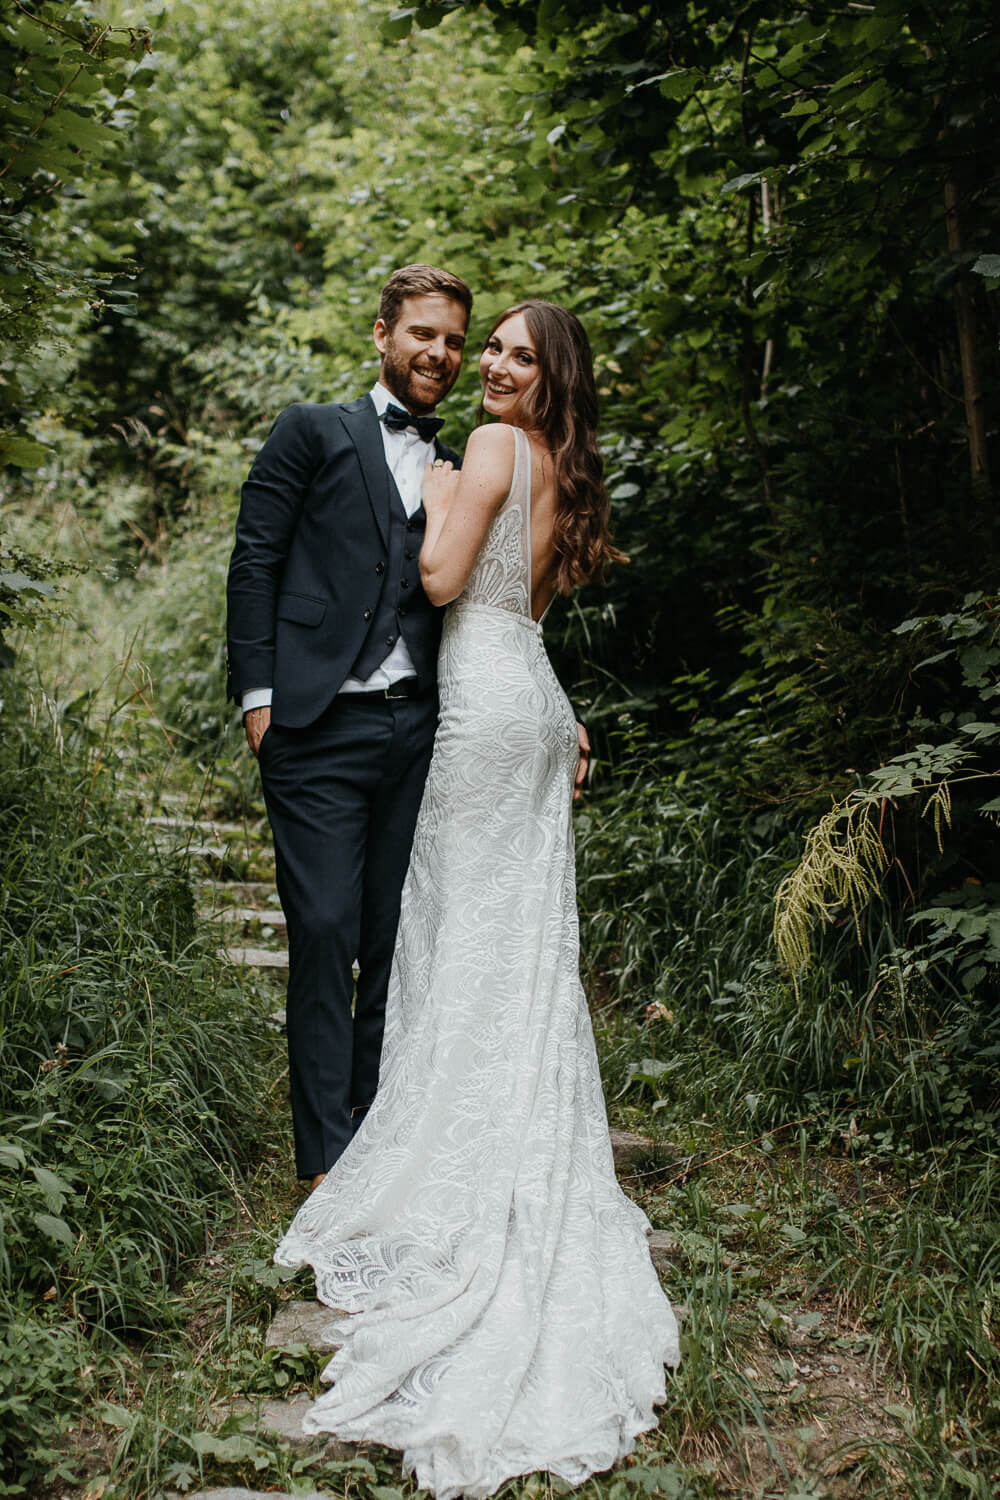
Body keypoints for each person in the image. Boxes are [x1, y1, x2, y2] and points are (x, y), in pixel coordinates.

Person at [274, 300, 680, 1498]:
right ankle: (509, 1129)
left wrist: (442, 485)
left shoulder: (493, 449)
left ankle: (452, 1146)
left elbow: (446, 577)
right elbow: (528, 609)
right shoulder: (562, 464)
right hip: (536, 701)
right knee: (516, 941)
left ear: (546, 376)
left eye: (513, 353)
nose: (491, 364)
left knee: (462, 934)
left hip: (485, 712)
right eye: (485, 348)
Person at [226, 265, 478, 1189]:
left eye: (453, 340)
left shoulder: (460, 465)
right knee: (326, 929)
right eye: (423, 335)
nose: (439, 355)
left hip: (418, 732)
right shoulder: (311, 430)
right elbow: (255, 561)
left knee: (391, 935)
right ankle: (324, 1159)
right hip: (314, 726)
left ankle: (374, 1135)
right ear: (382, 336)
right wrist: (258, 699)